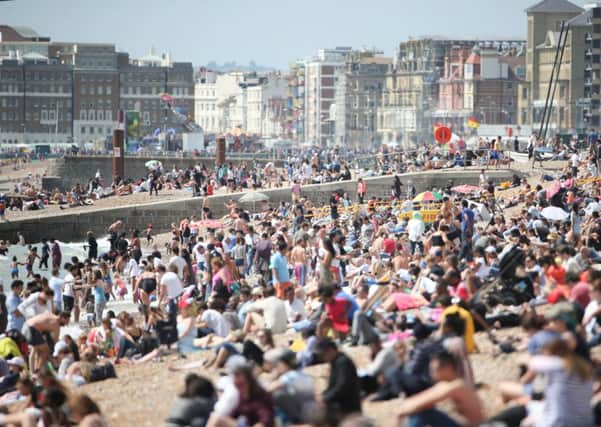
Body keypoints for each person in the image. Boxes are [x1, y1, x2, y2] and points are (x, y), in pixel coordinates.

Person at [396, 350, 484, 427]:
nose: (431, 374)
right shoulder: (450, 384)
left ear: (448, 368)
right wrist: (406, 406)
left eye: (434, 370)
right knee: (423, 410)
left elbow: (423, 401)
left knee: (425, 413)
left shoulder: (457, 385)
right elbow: (425, 396)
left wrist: (404, 408)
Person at [206, 364, 275, 427]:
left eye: (241, 384)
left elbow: (265, 421)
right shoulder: (243, 395)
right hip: (246, 423)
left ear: (249, 380)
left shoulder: (260, 397)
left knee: (217, 419)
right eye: (237, 384)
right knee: (215, 417)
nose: (238, 385)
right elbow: (235, 413)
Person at [314, 338, 361, 424]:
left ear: (331, 350)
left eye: (323, 354)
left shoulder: (343, 362)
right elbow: (332, 386)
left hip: (347, 407)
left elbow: (343, 386)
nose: (322, 358)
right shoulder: (335, 362)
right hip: (339, 403)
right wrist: (323, 396)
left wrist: (325, 398)